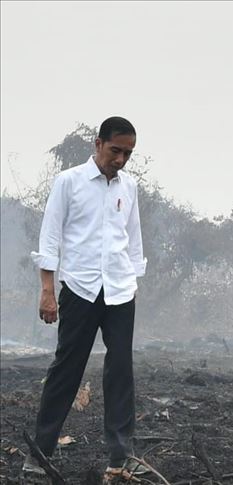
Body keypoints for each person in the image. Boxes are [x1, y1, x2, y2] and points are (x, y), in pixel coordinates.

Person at [24, 116, 149, 477]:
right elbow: (50, 238)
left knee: (120, 370)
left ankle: (121, 456)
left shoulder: (129, 187)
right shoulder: (69, 182)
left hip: (120, 291)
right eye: (115, 151)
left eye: (127, 154)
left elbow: (133, 238)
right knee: (67, 369)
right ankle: (39, 455)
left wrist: (133, 282)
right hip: (80, 288)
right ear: (98, 144)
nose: (120, 160)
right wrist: (48, 291)